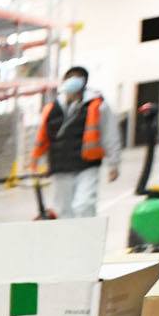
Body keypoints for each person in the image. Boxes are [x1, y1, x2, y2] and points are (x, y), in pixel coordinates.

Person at [31, 66, 121, 219]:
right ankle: (67, 241)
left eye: (76, 79)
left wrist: (114, 163)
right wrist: (36, 164)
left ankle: (86, 239)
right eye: (69, 79)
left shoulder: (98, 106)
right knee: (63, 210)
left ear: (84, 83)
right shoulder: (51, 109)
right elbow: (42, 139)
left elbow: (110, 135)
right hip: (60, 167)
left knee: (84, 204)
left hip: (86, 165)